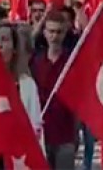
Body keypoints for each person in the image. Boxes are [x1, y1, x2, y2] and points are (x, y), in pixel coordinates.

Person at [31, 10, 77, 170]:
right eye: (51, 31)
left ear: (65, 33)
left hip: (65, 134)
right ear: (44, 32)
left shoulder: (71, 63)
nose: (54, 36)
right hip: (41, 135)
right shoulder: (36, 63)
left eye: (58, 32)